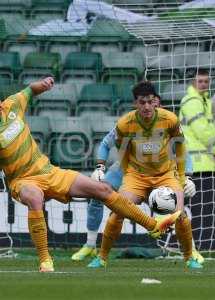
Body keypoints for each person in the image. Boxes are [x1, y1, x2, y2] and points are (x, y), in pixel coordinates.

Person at [0, 78, 180, 272]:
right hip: (22, 181)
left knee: (102, 189)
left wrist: (43, 84)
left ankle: (152, 226)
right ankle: (45, 260)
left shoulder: (12, 104)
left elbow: (29, 90)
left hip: (49, 171)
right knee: (35, 197)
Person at [71, 94, 203, 264]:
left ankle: (191, 252)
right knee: (103, 197)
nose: (148, 106)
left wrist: (188, 176)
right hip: (131, 170)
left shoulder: (168, 121)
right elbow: (106, 143)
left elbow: (183, 149)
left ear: (158, 105)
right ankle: (91, 246)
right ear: (137, 104)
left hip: (162, 173)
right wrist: (100, 168)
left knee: (179, 212)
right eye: (144, 102)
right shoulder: (128, 123)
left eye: (152, 102)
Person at [179, 69, 215, 177]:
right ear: (193, 82)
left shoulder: (202, 101)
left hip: (202, 163)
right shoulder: (193, 101)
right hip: (197, 164)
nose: (203, 84)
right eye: (200, 81)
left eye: (206, 81)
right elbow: (202, 131)